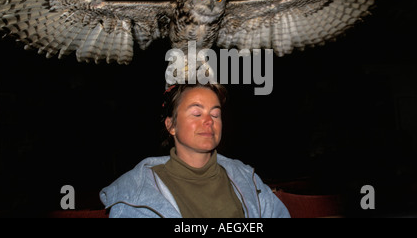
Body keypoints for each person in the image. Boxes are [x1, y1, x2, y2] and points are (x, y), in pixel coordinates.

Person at [99, 83, 290, 218]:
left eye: (215, 114)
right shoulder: (136, 193)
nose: (209, 121)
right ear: (171, 126)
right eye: (197, 113)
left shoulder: (248, 178)